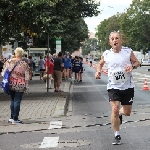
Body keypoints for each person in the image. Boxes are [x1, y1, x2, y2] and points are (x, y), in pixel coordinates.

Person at [95, 31, 140, 145]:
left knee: (127, 112)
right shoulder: (106, 54)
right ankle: (117, 135)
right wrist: (98, 72)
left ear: (121, 40)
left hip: (127, 86)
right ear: (110, 42)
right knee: (114, 109)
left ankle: (120, 114)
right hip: (113, 86)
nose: (115, 40)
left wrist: (132, 66)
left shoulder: (128, 51)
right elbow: (100, 64)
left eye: (117, 38)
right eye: (112, 39)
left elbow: (136, 62)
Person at [1, 47, 30, 124]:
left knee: (12, 100)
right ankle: (16, 118)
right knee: (17, 100)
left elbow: (3, 73)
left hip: (10, 83)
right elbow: (27, 76)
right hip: (20, 84)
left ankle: (11, 117)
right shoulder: (24, 64)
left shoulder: (9, 61)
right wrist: (26, 86)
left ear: (15, 53)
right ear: (22, 54)